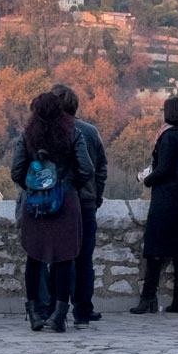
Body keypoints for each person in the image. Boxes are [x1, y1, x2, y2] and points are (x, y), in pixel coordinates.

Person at [10, 90, 95, 333]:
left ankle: (35, 313)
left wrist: (33, 186)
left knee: (34, 256)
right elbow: (86, 168)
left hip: (35, 204)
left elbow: (16, 171)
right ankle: (59, 314)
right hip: (65, 201)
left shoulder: (27, 137)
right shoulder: (73, 134)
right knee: (64, 257)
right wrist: (68, 185)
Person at [134, 96, 178, 315]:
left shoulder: (168, 137)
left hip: (166, 200)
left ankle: (148, 298)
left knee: (154, 250)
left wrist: (146, 180)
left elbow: (163, 169)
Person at [53, 83, 109, 327]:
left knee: (56, 257)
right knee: (84, 258)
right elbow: (101, 168)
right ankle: (83, 310)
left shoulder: (49, 131)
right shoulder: (90, 131)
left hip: (56, 201)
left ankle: (55, 308)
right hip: (86, 202)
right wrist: (96, 195)